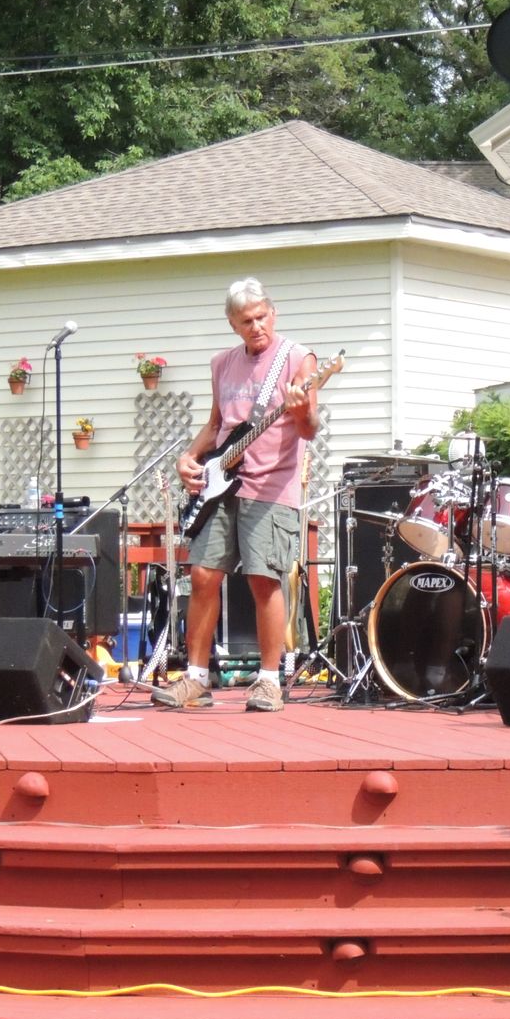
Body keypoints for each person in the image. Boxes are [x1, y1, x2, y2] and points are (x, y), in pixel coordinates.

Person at [154, 278, 319, 712]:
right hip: (220, 484)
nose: (256, 326)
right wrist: (189, 457)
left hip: (271, 486)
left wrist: (302, 410)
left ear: (273, 313)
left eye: (262, 317)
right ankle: (195, 678)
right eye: (246, 321)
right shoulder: (222, 363)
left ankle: (269, 681)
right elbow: (216, 426)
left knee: (264, 579)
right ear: (232, 324)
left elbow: (309, 430)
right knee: (203, 575)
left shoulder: (298, 358)